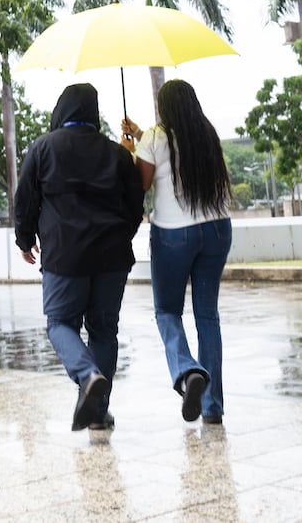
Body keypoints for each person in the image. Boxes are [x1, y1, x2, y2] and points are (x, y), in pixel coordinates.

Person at [14, 83, 145, 431]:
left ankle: (87, 376)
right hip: (112, 258)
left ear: (62, 110)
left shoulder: (43, 148)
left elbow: (24, 199)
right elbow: (135, 206)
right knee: (104, 331)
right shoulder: (117, 154)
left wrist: (24, 239)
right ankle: (99, 413)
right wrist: (119, 237)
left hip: (64, 257)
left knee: (59, 324)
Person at [122, 79, 232, 425]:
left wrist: (130, 150)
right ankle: (213, 407)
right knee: (207, 315)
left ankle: (187, 371)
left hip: (173, 235)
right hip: (217, 229)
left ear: (164, 107)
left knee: (167, 312)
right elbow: (173, 154)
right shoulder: (206, 134)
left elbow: (140, 184)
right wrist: (141, 137)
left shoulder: (156, 137)